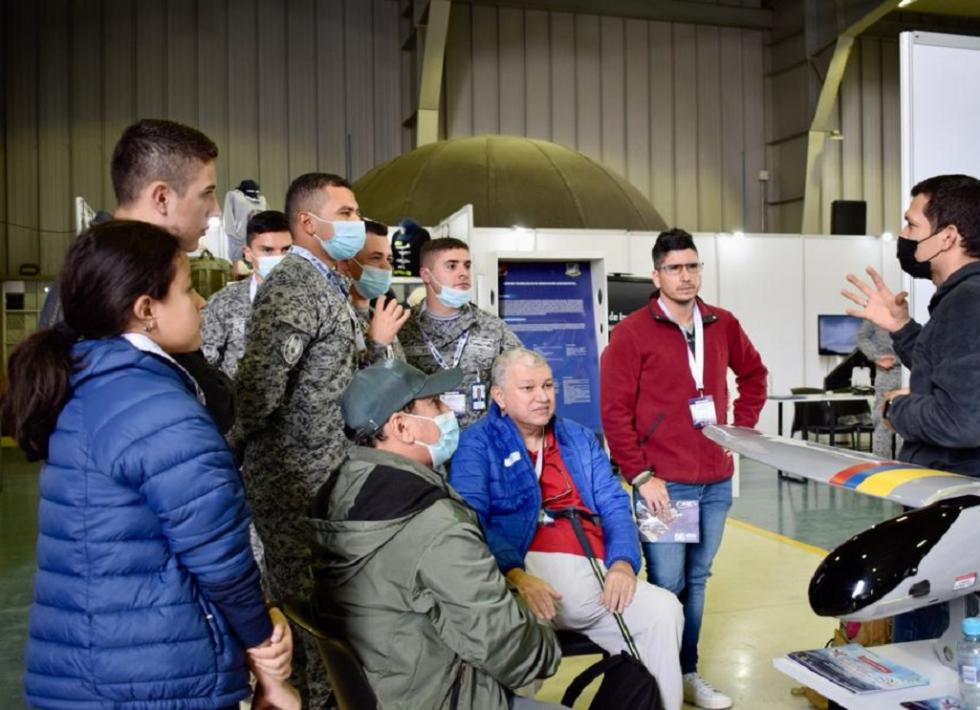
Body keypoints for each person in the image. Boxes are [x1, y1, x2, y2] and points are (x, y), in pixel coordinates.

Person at [1, 221, 296, 710]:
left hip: (84, 667)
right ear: (146, 311)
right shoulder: (160, 411)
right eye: (186, 291)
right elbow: (219, 558)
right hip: (152, 680)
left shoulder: (87, 383)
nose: (200, 303)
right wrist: (267, 650)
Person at [842, 174, 980, 642]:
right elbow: (951, 375)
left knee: (930, 653)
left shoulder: (971, 304)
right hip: (971, 501)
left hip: (957, 510)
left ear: (947, 235)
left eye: (912, 225)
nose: (904, 236)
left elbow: (961, 421)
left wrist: (895, 408)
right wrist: (903, 327)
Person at [308, 359, 563, 710]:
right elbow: (504, 643)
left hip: (385, 686)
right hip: (439, 695)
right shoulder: (433, 523)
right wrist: (547, 644)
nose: (450, 412)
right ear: (401, 426)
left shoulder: (337, 492)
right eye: (436, 404)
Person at [450, 348, 685, 710]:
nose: (542, 397)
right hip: (524, 580)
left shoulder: (577, 437)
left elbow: (615, 504)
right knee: (503, 647)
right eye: (527, 388)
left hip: (599, 577)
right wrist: (515, 575)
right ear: (498, 396)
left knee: (664, 609)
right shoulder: (476, 443)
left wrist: (623, 563)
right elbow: (470, 518)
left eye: (547, 385)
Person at [599, 228, 768, 709]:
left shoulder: (722, 323)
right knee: (666, 583)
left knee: (698, 579)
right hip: (664, 485)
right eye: (675, 268)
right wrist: (640, 476)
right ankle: (657, 676)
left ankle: (686, 672)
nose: (686, 276)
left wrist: (742, 429)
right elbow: (614, 411)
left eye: (693, 266)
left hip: (716, 478)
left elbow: (754, 375)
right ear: (657, 275)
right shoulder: (630, 333)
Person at [231, 172, 364, 708]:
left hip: (326, 483)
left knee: (328, 609)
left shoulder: (326, 285)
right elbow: (259, 391)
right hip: (294, 489)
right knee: (305, 616)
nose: (357, 223)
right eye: (348, 213)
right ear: (308, 222)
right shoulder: (292, 286)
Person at [42, 118, 235, 433]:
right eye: (207, 193)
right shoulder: (98, 281)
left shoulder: (149, 269)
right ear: (162, 198)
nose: (214, 209)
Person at [399, 237, 522, 425]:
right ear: (426, 275)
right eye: (451, 266)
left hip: (480, 446)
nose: (463, 273)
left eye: (467, 266)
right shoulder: (403, 328)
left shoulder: (492, 327)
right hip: (422, 445)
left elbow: (521, 380)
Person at [202, 210, 293, 378]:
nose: (279, 258)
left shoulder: (316, 300)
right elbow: (205, 363)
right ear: (248, 254)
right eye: (267, 250)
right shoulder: (224, 302)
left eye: (286, 250)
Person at [335, 218, 410, 364]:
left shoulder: (379, 316)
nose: (387, 267)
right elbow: (340, 383)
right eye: (376, 258)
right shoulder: (334, 320)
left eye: (389, 259)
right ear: (345, 264)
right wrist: (376, 345)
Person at [855, 320, 902, 459]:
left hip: (909, 369)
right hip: (890, 370)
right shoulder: (879, 309)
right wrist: (877, 357)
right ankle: (883, 467)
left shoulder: (915, 304)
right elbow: (861, 337)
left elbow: (861, 337)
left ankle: (901, 468)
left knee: (904, 422)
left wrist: (877, 356)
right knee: (883, 423)